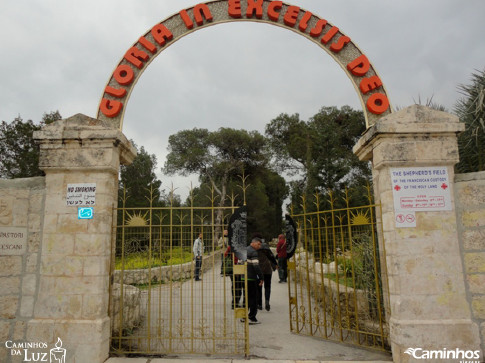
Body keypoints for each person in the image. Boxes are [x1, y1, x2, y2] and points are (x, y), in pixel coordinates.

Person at [243, 237, 264, 324]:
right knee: (253, 298)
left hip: (244, 277)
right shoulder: (253, 252)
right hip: (251, 277)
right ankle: (252, 317)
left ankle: (244, 316)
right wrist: (261, 277)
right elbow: (256, 266)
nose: (259, 246)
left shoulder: (244, 250)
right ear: (254, 243)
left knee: (246, 298)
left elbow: (240, 263)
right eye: (258, 244)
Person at [257, 240, 277, 311]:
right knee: (267, 286)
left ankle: (259, 304)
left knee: (259, 287)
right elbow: (272, 259)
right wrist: (274, 267)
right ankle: (267, 302)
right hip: (268, 271)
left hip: (259, 271)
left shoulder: (257, 251)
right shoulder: (268, 251)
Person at [222, 244, 243, 309]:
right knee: (238, 286)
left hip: (232, 268)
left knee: (235, 285)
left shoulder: (230, 247)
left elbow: (225, 256)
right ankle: (235, 302)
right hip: (238, 268)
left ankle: (235, 302)